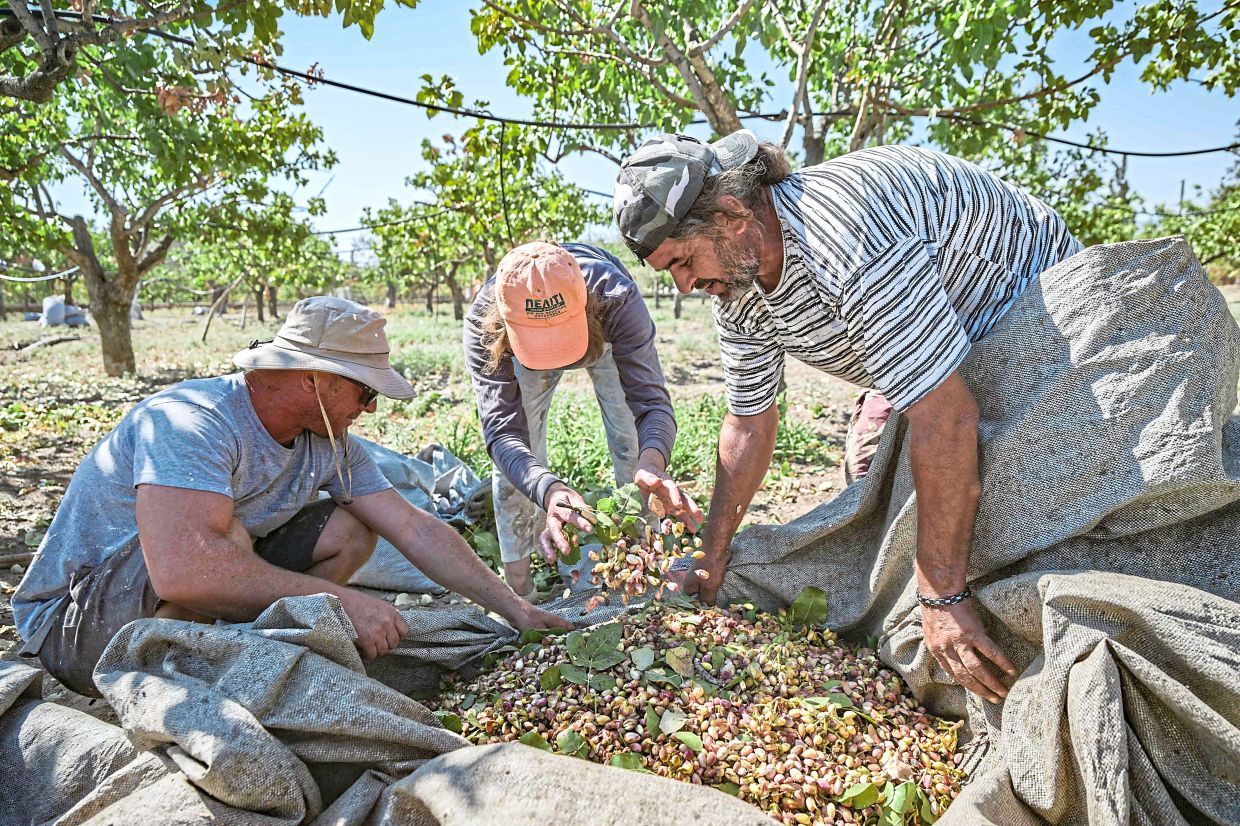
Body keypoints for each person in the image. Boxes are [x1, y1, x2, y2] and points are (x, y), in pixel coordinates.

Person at [613, 130, 1083, 705]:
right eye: (669, 272)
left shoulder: (842, 243)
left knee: (1020, 519)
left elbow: (947, 417)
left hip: (1037, 316)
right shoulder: (734, 284)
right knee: (874, 469)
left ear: (733, 215)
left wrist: (941, 594)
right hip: (932, 343)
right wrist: (710, 557)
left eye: (684, 262)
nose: (685, 286)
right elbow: (749, 424)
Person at [12, 296, 570, 698]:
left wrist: (515, 609)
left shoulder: (330, 441)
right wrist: (337, 605)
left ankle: (224, 652)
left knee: (353, 528)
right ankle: (188, 669)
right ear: (313, 378)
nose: (370, 408)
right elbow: (185, 572)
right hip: (77, 626)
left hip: (177, 596)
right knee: (220, 538)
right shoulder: (192, 423)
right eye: (364, 389)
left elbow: (416, 528)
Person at [464, 240, 703, 599]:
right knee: (519, 460)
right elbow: (502, 434)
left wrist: (653, 462)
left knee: (633, 445)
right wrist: (549, 489)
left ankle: (643, 565)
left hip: (602, 335)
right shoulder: (485, 325)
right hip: (512, 346)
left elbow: (651, 403)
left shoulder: (617, 298)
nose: (553, 359)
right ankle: (519, 588)